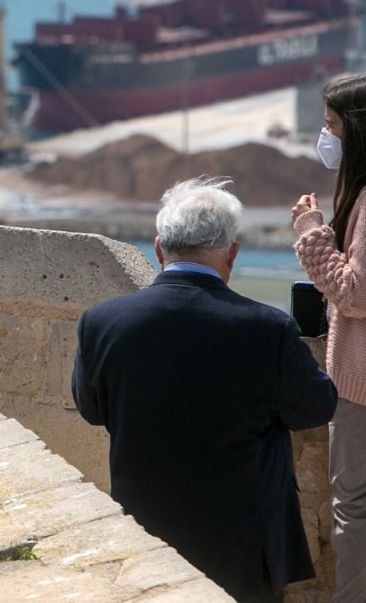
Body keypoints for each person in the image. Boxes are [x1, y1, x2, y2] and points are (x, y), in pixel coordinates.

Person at [74, 177, 336, 602]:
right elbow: (316, 406)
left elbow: (91, 408)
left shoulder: (101, 322)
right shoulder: (268, 329)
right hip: (244, 547)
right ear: (232, 254)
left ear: (159, 248)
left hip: (144, 534)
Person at [293, 72, 366, 601]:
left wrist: (313, 233)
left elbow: (355, 293)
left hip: (361, 388)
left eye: (331, 126)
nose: (326, 138)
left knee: (354, 509)